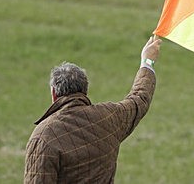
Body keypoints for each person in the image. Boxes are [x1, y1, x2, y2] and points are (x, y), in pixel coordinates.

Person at [24, 36, 161, 184]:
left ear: (54, 93)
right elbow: (139, 98)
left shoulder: (43, 137)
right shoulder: (109, 118)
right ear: (85, 90)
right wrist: (147, 61)